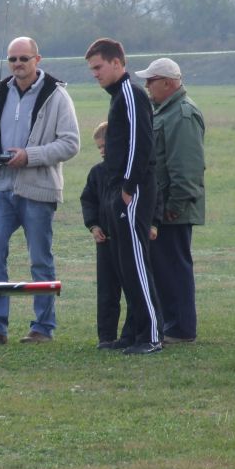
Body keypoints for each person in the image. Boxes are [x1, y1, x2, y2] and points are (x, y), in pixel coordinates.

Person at [0, 36, 80, 344]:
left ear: (37, 59)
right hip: (1, 188)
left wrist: (29, 157)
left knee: (40, 260)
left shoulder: (57, 95)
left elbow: (71, 143)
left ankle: (42, 328)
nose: (17, 64)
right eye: (12, 59)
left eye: (24, 59)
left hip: (38, 190)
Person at [86, 38, 163, 354]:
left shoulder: (130, 94)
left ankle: (152, 336)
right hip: (118, 193)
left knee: (137, 266)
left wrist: (129, 188)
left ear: (117, 63)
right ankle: (132, 333)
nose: (95, 74)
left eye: (98, 67)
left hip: (132, 192)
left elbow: (140, 144)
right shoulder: (118, 96)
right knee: (123, 267)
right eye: (92, 69)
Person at [135, 58, 206, 344]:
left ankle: (181, 329)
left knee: (174, 269)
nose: (147, 86)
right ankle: (171, 324)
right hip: (162, 207)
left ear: (168, 82)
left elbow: (186, 167)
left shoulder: (182, 114)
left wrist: (175, 207)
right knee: (163, 269)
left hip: (173, 209)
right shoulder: (166, 111)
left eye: (151, 81)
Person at [80, 121, 135, 349]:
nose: (102, 150)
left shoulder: (132, 173)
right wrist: (93, 226)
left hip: (129, 241)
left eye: (105, 145)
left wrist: (153, 224)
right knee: (106, 292)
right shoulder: (97, 173)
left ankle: (132, 334)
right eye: (98, 147)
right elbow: (88, 200)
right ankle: (106, 337)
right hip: (105, 242)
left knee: (133, 290)